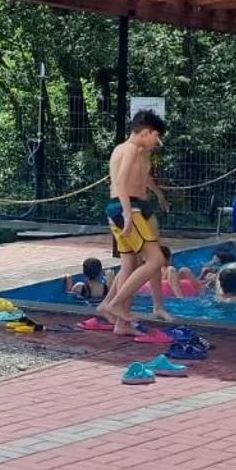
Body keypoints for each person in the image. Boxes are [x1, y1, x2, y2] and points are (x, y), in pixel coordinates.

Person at [99, 109, 169, 333]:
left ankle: (121, 322)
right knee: (155, 260)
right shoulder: (128, 149)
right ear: (146, 132)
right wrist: (128, 214)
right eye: (156, 136)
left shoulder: (138, 151)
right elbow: (119, 182)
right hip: (126, 206)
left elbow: (142, 178)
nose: (157, 142)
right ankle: (116, 304)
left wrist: (158, 194)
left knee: (129, 264)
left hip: (130, 205)